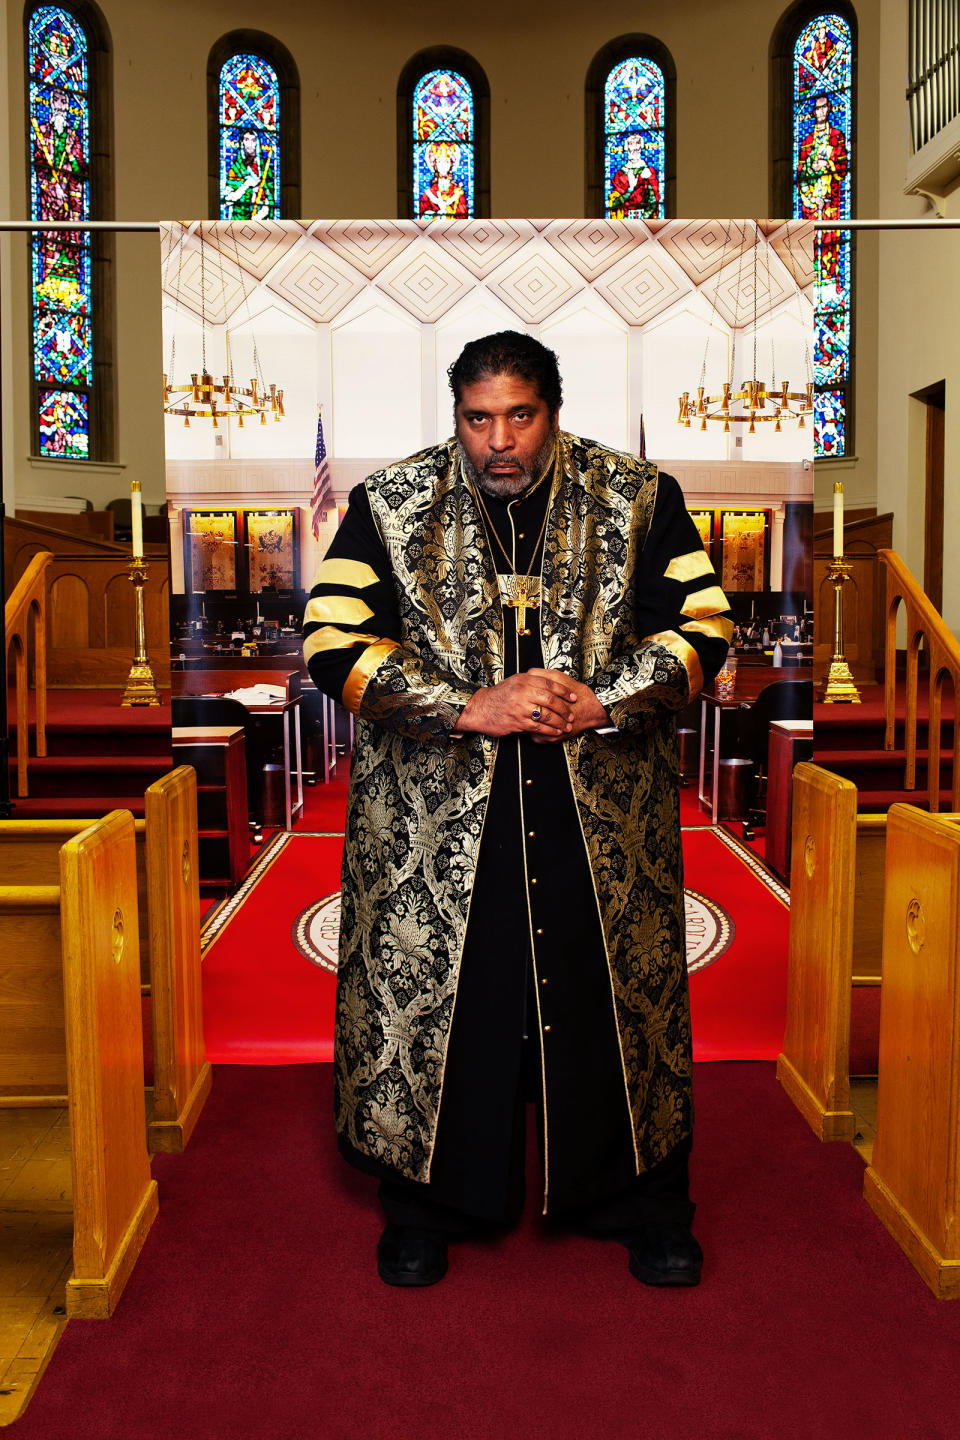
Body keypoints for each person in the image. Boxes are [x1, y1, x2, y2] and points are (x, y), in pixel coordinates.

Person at [303, 332, 731, 1289]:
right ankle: (425, 1202)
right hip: (438, 816)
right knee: (460, 995)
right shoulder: (392, 503)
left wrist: (607, 699)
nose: (498, 441)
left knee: (611, 992)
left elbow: (703, 626)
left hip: (600, 808)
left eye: (520, 417)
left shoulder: (638, 498)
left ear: (554, 411)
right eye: (478, 418)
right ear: (455, 414)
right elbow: (330, 637)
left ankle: (643, 1200)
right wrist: (465, 706)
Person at [224, 128, 274, 220]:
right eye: (246, 140)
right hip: (239, 220)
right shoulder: (235, 169)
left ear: (257, 143)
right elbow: (228, 200)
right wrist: (246, 185)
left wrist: (263, 211)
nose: (250, 144)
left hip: (261, 221)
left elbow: (270, 197)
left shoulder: (265, 171)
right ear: (242, 143)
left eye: (253, 140)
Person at [608, 131, 661, 218]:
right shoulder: (620, 175)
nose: (635, 148)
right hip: (623, 223)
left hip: (646, 221)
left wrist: (644, 219)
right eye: (631, 144)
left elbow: (654, 200)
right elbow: (614, 204)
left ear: (641, 147)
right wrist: (630, 189)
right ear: (626, 147)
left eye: (637, 143)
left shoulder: (649, 172)